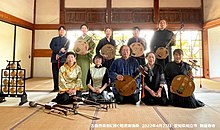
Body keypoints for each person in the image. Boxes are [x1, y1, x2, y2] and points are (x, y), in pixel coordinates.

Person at [75, 24, 96, 91]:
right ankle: (79, 87)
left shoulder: (89, 39)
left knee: (86, 72)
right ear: (81, 30)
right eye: (82, 28)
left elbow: (92, 47)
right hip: (79, 57)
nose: (84, 29)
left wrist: (88, 52)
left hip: (86, 58)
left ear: (87, 30)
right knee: (79, 72)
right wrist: (77, 51)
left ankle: (86, 87)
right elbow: (76, 47)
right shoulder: (78, 38)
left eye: (85, 28)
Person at [50, 26, 70, 92]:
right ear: (58, 31)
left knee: (63, 74)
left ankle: (62, 87)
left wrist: (59, 55)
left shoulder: (67, 40)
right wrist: (59, 49)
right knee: (55, 74)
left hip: (63, 59)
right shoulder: (54, 39)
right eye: (60, 30)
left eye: (63, 30)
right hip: (54, 59)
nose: (62, 31)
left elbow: (66, 50)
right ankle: (56, 87)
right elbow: (52, 46)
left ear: (65, 32)